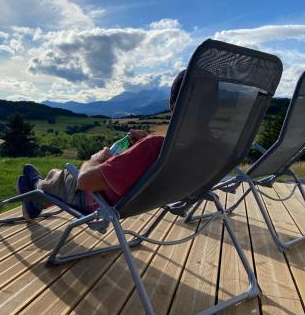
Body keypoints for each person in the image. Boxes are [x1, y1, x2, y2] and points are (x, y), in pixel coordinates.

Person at [17, 69, 186, 221]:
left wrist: (95, 160)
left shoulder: (154, 147)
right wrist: (138, 149)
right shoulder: (199, 150)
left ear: (172, 104)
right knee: (63, 178)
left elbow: (85, 182)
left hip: (98, 201)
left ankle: (35, 191)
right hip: (143, 201)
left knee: (61, 176)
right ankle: (37, 203)